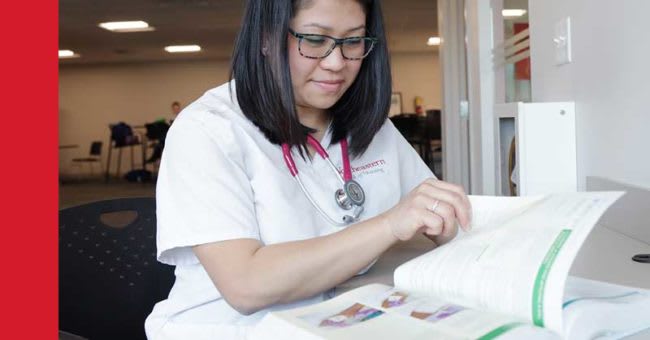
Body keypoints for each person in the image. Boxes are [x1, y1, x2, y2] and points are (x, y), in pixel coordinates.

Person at [145, 0, 472, 339]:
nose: (336, 63)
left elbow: (431, 224)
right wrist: (389, 225)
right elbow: (246, 284)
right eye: (315, 40)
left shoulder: (374, 128)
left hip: (346, 322)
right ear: (266, 38)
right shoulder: (208, 128)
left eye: (353, 41)